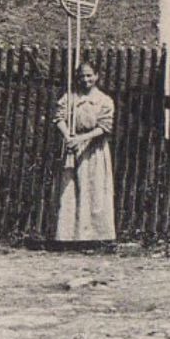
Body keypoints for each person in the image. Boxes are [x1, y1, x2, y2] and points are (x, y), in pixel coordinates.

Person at [54, 62, 117, 243]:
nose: (85, 79)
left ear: (96, 76)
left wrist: (81, 140)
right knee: (71, 190)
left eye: (89, 75)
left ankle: (98, 237)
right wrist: (68, 137)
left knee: (95, 190)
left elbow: (104, 128)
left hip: (94, 149)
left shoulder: (104, 100)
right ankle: (70, 236)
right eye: (82, 76)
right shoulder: (70, 98)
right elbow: (59, 117)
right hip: (72, 147)